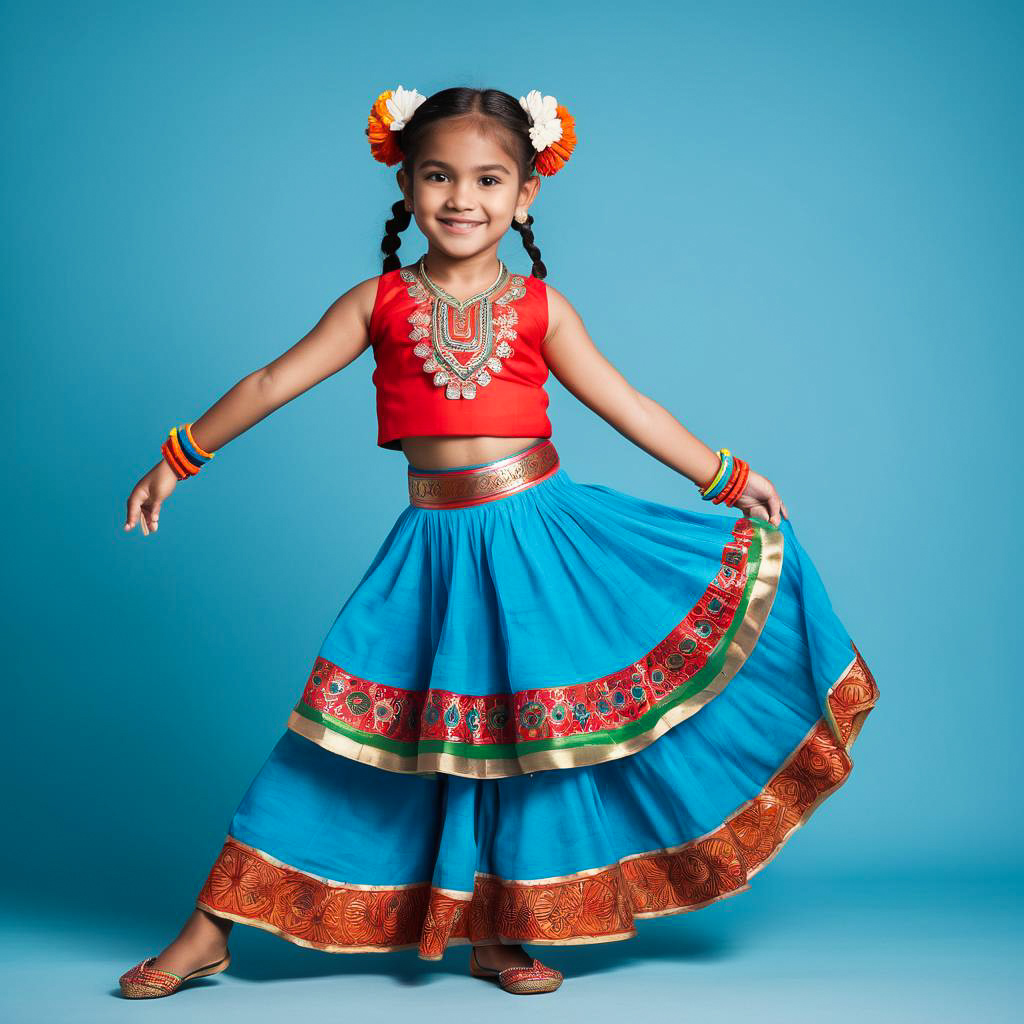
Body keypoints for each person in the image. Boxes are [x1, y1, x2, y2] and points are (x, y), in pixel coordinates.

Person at [117, 85, 879, 999]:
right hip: (433, 551)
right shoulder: (378, 302)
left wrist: (723, 473)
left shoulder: (541, 310)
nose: (462, 199)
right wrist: (179, 458)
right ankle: (212, 926)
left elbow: (628, 405)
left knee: (530, 744)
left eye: (488, 179)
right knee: (342, 737)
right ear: (405, 182)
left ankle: (499, 932)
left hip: (541, 541)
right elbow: (273, 378)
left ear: (525, 197)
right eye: (439, 176)